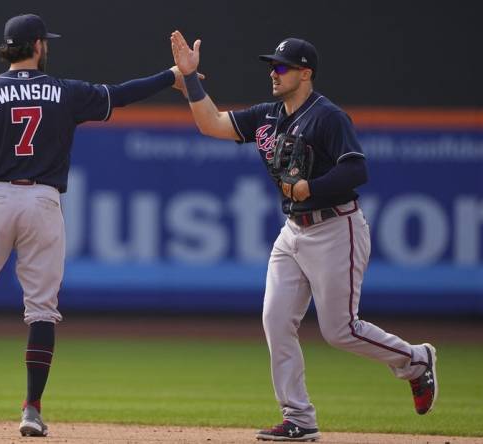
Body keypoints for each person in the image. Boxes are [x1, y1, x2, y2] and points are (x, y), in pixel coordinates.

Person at [0, 13, 189, 437]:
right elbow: (121, 95)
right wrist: (173, 75)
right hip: (43, 201)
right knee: (41, 309)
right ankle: (31, 410)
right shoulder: (64, 91)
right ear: (37, 45)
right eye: (45, 42)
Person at [170, 31, 438, 442]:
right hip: (293, 231)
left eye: (282, 67)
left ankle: (417, 360)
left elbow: (356, 171)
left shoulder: (328, 116)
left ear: (305, 73)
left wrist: (309, 188)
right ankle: (299, 417)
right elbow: (211, 124)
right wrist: (190, 78)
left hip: (336, 227)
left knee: (340, 330)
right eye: (271, 67)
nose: (273, 74)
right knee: (276, 320)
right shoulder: (268, 115)